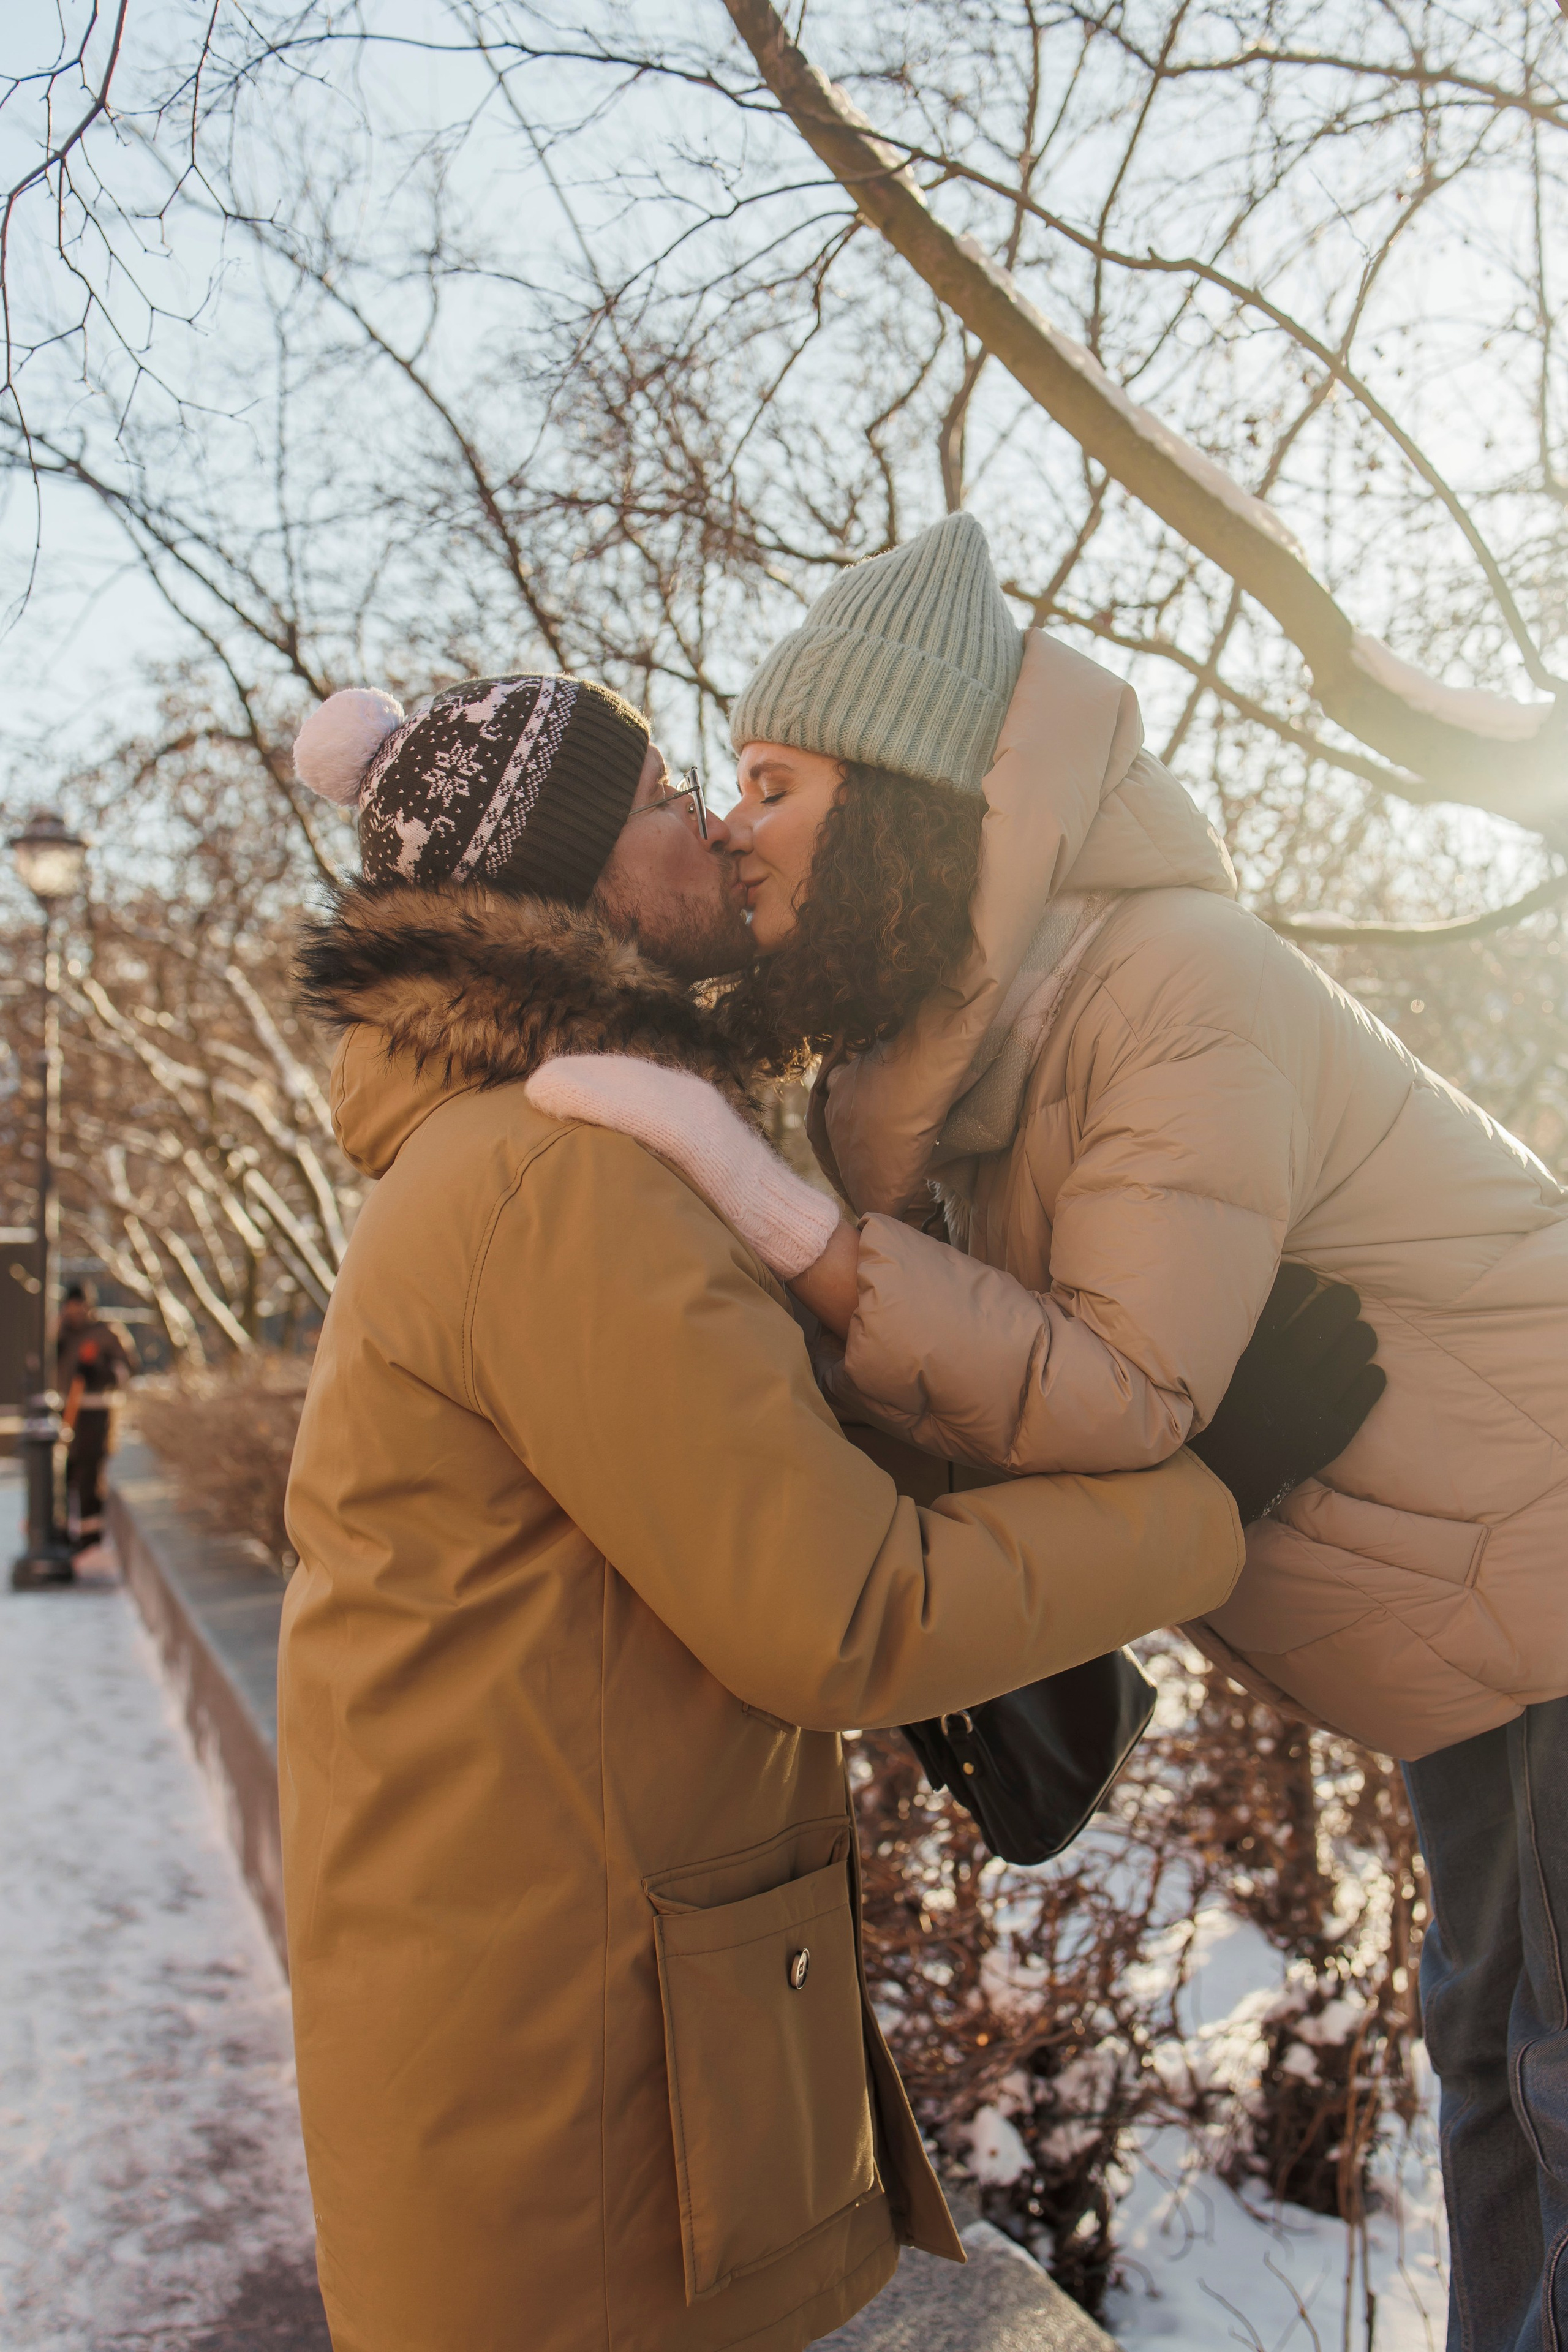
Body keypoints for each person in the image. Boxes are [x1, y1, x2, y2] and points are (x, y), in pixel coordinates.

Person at [550, 513, 1568, 2351]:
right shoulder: (932, 1071)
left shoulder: (1173, 978)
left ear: (904, 793)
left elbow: (1119, 1388)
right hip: (1477, 1608)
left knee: (1545, 2070)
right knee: (1498, 2056)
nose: (727, 822)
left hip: (1547, 1545)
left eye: (773, 780)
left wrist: (785, 1228)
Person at [279, 669, 1374, 2352]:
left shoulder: (544, 1152)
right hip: (566, 2107)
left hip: (531, 2039)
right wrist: (1208, 1497)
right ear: (567, 888)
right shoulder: (555, 1178)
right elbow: (845, 1613)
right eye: (656, 801)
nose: (709, 822)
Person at [55, 1281, 135, 1550]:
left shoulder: (106, 1334)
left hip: (97, 1413)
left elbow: (127, 1370)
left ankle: (90, 1538)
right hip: (65, 1411)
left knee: (89, 1475)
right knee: (65, 1475)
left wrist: (98, 1372)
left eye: (80, 1306)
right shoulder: (60, 1333)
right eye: (71, 1307)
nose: (75, 1312)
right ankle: (63, 1531)